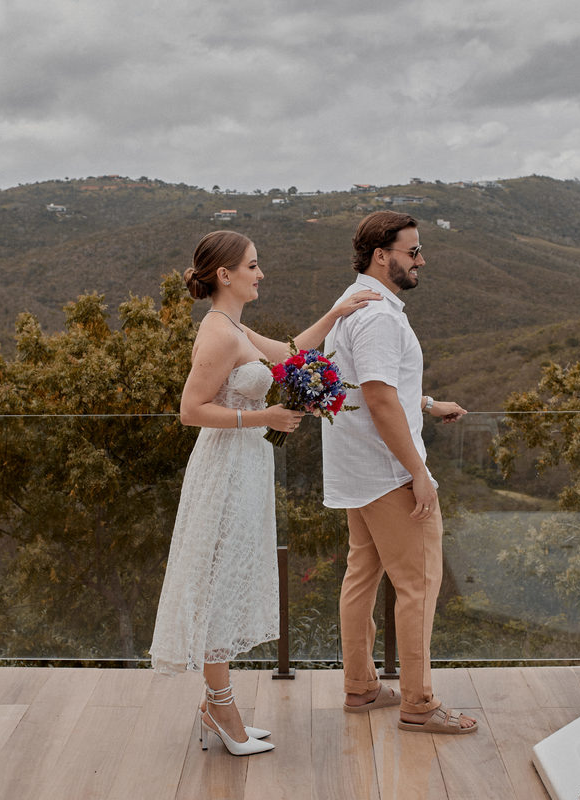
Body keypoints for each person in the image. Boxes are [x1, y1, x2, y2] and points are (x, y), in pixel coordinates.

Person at [149, 230, 379, 756]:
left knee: (229, 577)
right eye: (252, 266)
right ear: (224, 275)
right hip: (225, 469)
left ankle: (217, 704)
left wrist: (337, 313)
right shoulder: (218, 334)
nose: (260, 274)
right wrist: (264, 417)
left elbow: (294, 352)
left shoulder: (235, 327)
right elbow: (190, 411)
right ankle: (221, 707)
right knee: (218, 581)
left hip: (247, 467)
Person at [321, 211, 476, 735]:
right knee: (419, 584)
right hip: (389, 472)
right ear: (380, 255)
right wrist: (418, 472)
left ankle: (361, 687)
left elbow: (369, 385)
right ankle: (419, 702)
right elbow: (381, 399)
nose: (421, 260)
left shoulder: (351, 303)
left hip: (356, 471)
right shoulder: (379, 317)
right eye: (413, 251)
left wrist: (427, 403)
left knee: (361, 578)